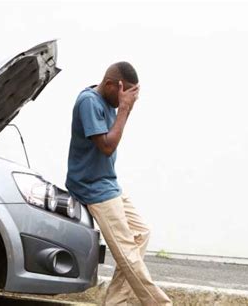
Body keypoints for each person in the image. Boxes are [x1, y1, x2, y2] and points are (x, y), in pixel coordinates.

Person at [65, 62, 173, 305]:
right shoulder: (89, 102)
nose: (127, 100)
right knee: (126, 251)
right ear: (111, 84)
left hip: (107, 183)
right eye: (125, 93)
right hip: (91, 187)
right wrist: (124, 109)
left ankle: (115, 301)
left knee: (140, 233)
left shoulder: (110, 100)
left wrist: (125, 107)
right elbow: (106, 146)